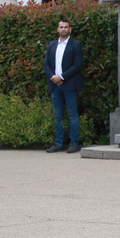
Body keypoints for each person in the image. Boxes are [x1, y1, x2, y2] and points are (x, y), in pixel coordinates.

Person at [44, 19, 85, 154]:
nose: (63, 29)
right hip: (55, 85)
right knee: (58, 116)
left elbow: (77, 66)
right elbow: (46, 64)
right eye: (61, 27)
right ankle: (58, 143)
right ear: (57, 29)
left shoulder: (75, 45)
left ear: (70, 29)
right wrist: (53, 78)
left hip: (69, 85)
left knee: (73, 114)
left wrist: (61, 77)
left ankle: (74, 143)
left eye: (66, 27)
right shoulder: (52, 45)